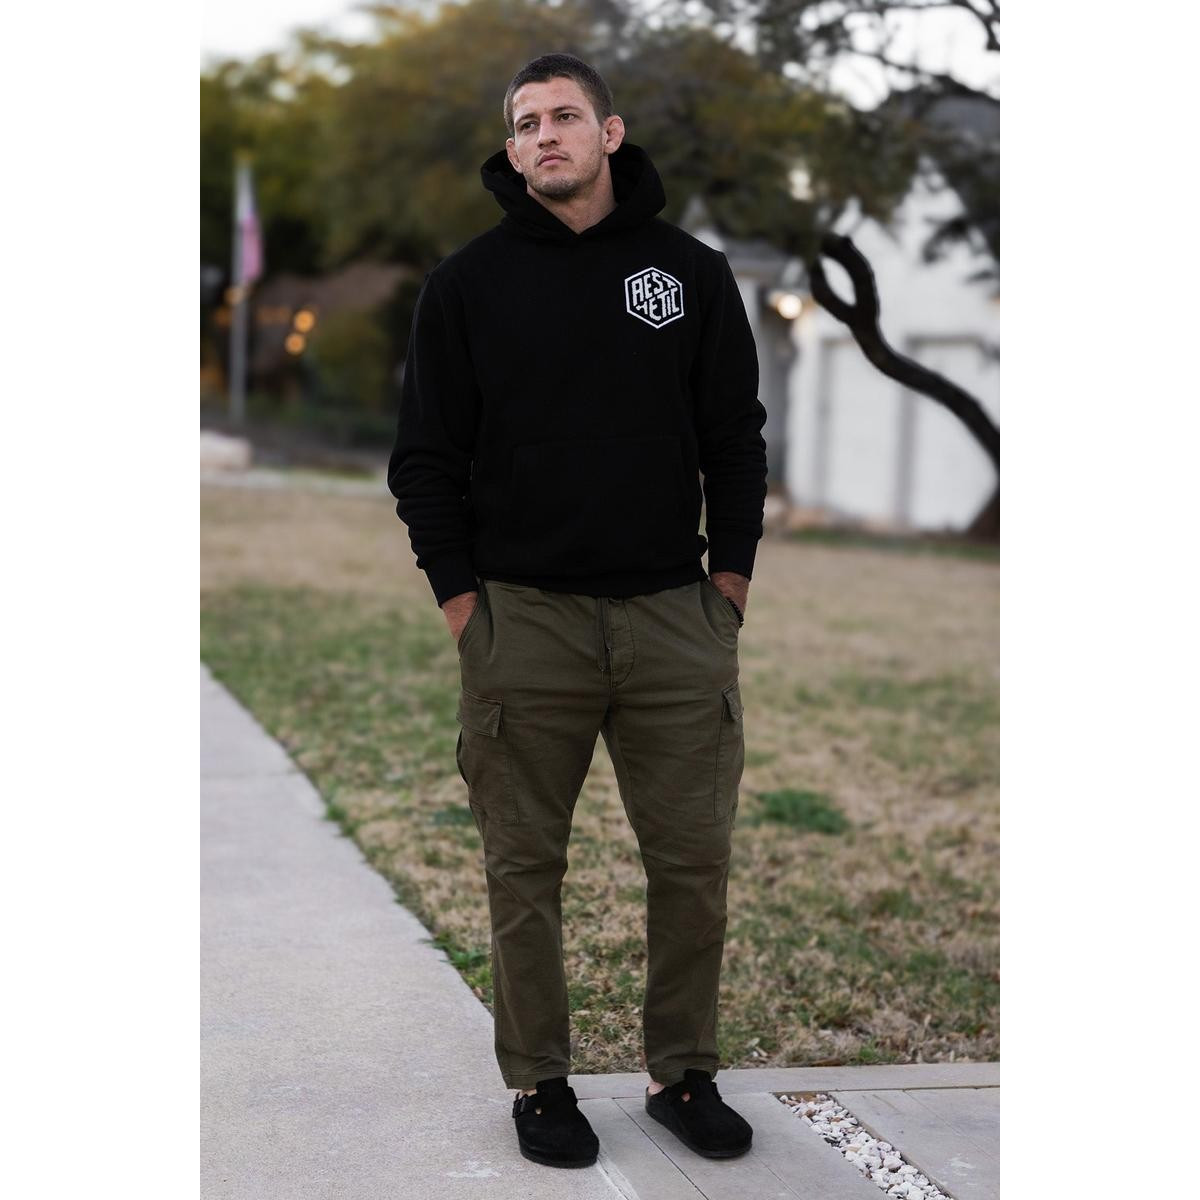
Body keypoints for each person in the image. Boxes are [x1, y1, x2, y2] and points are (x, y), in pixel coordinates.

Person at [387, 51, 766, 1170]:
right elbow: (425, 462)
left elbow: (735, 439)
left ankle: (681, 1072)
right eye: (524, 124)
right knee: (524, 870)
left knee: (692, 864)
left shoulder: (690, 274)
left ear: (610, 132)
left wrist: (729, 587)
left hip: (673, 617)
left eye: (563, 116)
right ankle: (541, 1083)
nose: (543, 135)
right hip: (526, 621)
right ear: (511, 150)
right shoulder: (466, 286)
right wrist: (467, 609)